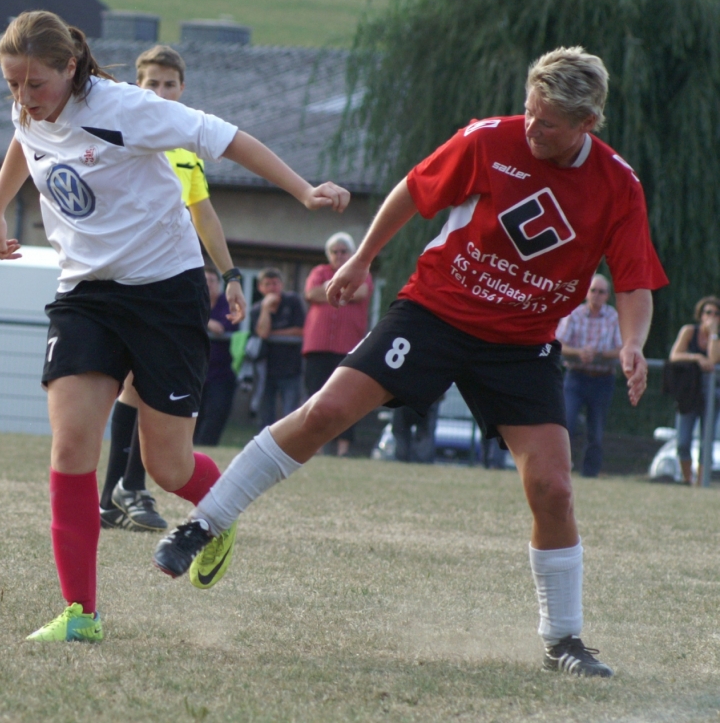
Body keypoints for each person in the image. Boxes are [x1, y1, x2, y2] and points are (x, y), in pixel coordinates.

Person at [155, 46, 668, 677]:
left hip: (522, 343)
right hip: (436, 313)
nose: (533, 128)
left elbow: (635, 280)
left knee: (553, 488)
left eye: (550, 123)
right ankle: (204, 524)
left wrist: (633, 342)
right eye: (530, 112)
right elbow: (412, 191)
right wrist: (362, 257)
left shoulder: (618, 185)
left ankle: (563, 642)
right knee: (325, 411)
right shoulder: (488, 140)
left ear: (588, 124)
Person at [0, 11, 349, 642]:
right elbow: (26, 141)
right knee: (72, 446)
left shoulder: (129, 108)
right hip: (85, 297)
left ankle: (218, 513)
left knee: (168, 466)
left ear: (70, 69)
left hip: (165, 293)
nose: (22, 99)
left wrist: (302, 191)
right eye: (13, 85)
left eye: (35, 84)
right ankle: (80, 616)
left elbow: (225, 137)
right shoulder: (30, 109)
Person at [98, 45, 246, 532]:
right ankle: (126, 490)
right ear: (134, 88)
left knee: (139, 388)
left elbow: (203, 214)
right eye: (151, 84)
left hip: (168, 281)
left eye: (168, 85)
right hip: (125, 280)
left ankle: (118, 492)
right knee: (135, 387)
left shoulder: (185, 149)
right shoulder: (120, 139)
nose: (160, 93)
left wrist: (230, 276)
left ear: (182, 90)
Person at [302, 232, 372, 456]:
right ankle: (318, 447)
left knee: (347, 400)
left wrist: (329, 290)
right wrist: (343, 292)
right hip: (318, 346)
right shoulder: (319, 271)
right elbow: (311, 292)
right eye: (335, 252)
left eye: (343, 251)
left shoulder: (361, 271)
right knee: (316, 395)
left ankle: (343, 449)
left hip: (348, 347)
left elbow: (360, 292)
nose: (339, 255)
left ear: (351, 253)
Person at [556, 274, 623, 478]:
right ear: (586, 292)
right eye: (593, 290)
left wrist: (599, 355)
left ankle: (589, 473)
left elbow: (622, 349)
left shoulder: (614, 317)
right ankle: (561, 468)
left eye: (601, 291)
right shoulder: (573, 314)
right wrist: (579, 353)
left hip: (602, 379)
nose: (596, 295)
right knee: (566, 423)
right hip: (575, 376)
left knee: (596, 431)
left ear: (607, 296)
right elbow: (559, 344)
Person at [667, 296, 720, 485]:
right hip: (689, 393)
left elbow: (714, 360)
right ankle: (687, 479)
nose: (711, 316)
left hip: (712, 396)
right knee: (683, 441)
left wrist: (713, 334)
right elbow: (674, 355)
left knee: (707, 442)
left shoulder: (717, 338)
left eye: (716, 313)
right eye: (708, 312)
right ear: (700, 315)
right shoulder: (689, 331)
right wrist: (696, 357)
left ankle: (701, 482)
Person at [250, 268, 306, 428]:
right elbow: (262, 333)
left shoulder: (293, 301)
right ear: (260, 288)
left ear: (281, 285)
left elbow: (300, 331)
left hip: (292, 369)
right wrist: (265, 309)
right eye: (267, 284)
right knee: (266, 414)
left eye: (275, 283)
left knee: (291, 413)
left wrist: (273, 332)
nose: (272, 288)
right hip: (266, 370)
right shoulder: (256, 309)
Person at [194, 266, 239, 445]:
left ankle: (206, 449)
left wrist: (204, 322)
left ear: (219, 285)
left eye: (212, 280)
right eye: (204, 280)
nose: (208, 284)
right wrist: (208, 322)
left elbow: (224, 328)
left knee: (216, 413)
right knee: (194, 414)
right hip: (195, 370)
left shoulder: (227, 304)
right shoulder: (194, 302)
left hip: (221, 372)